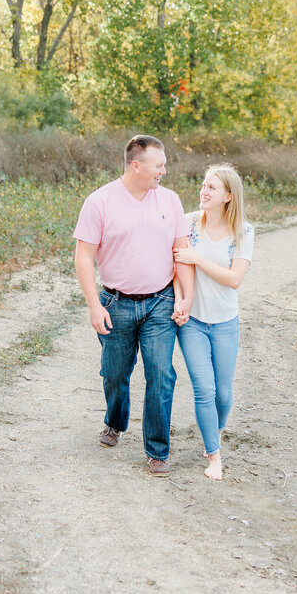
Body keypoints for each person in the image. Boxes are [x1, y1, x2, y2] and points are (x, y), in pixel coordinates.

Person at [73, 135, 194, 477]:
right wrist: (94, 306)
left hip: (160, 303)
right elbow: (83, 257)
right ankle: (115, 420)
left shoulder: (170, 201)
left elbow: (181, 253)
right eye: (159, 165)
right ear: (136, 165)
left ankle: (157, 450)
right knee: (114, 374)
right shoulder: (100, 202)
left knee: (161, 373)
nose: (164, 171)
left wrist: (186, 297)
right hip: (116, 302)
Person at [172, 164, 253, 481]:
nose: (203, 192)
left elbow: (234, 279)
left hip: (225, 323)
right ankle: (214, 456)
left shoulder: (243, 231)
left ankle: (213, 431)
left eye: (211, 188)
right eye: (203, 185)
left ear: (228, 196)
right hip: (192, 323)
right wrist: (181, 298)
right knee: (204, 390)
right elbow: (177, 266)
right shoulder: (189, 223)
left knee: (223, 394)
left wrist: (198, 259)